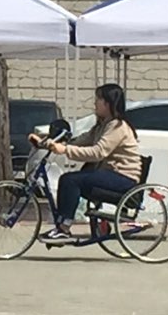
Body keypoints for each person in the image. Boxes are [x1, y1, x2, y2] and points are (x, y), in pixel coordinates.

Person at [28, 83, 142, 243]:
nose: (95, 103)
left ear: (108, 103)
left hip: (123, 178)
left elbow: (98, 153)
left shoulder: (118, 127)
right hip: (109, 174)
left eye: (99, 99)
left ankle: (64, 228)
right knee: (69, 179)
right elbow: (79, 141)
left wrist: (65, 150)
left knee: (71, 180)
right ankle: (62, 226)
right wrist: (45, 143)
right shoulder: (102, 126)